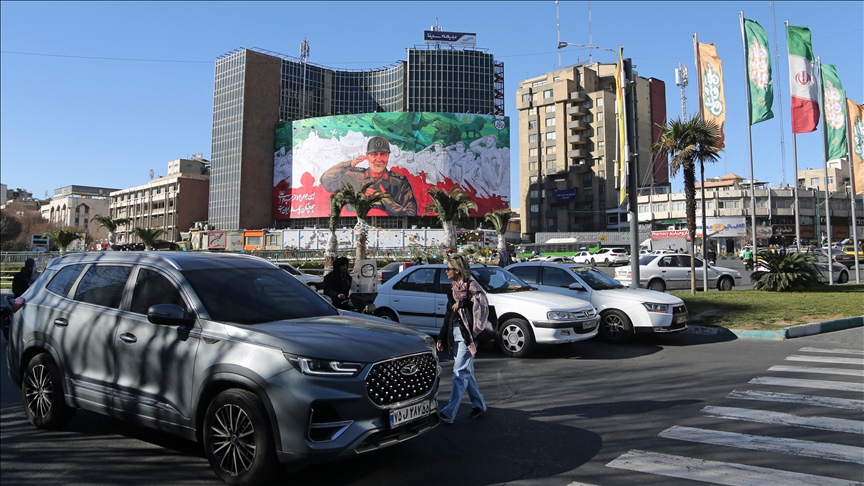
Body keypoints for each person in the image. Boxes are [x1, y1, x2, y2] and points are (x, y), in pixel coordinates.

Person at [436, 253, 488, 423]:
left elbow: (481, 305)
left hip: (468, 336)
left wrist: (463, 303)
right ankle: (479, 405)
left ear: (457, 270)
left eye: (448, 268)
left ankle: (449, 412)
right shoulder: (452, 290)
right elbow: (448, 315)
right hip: (455, 334)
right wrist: (441, 338)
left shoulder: (473, 286)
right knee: (466, 373)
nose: (446, 271)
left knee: (459, 373)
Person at [321, 136, 418, 216]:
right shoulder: (353, 176)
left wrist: (386, 201)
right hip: (353, 226)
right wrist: (350, 164)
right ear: (367, 155)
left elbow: (411, 213)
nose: (379, 159)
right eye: (374, 154)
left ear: (388, 156)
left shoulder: (399, 182)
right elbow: (326, 181)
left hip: (389, 227)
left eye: (383, 154)